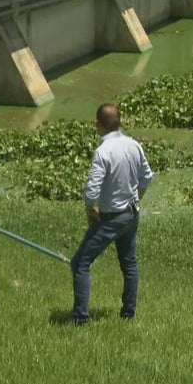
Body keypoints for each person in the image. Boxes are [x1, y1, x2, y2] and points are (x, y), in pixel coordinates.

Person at [71, 103, 154, 325]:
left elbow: (91, 191)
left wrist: (90, 209)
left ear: (98, 124)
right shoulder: (134, 145)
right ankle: (128, 313)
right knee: (129, 264)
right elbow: (147, 177)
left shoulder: (103, 152)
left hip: (111, 218)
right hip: (131, 215)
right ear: (120, 122)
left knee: (80, 263)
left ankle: (80, 318)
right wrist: (137, 199)